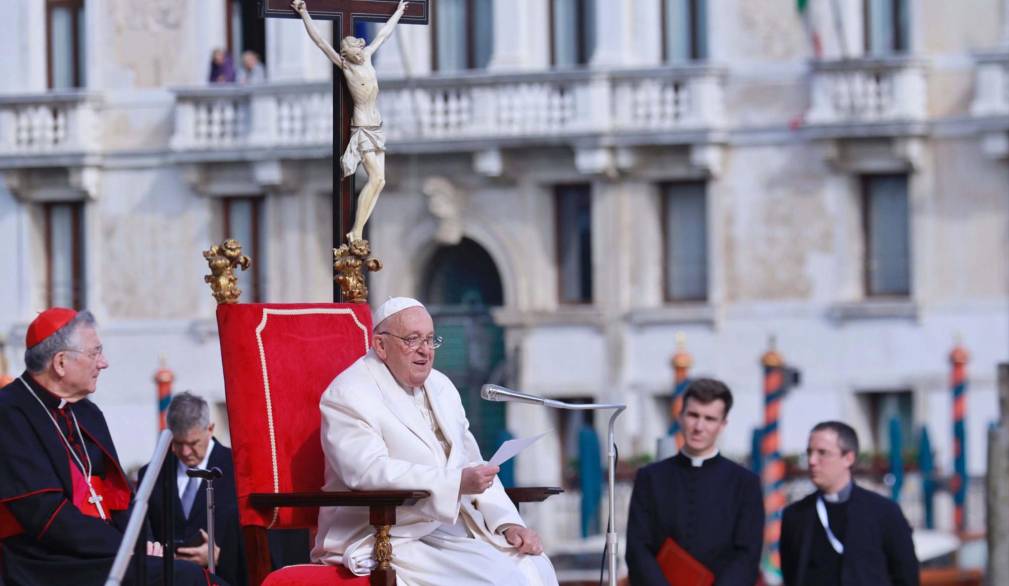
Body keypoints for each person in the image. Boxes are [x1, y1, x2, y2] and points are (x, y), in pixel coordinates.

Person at [313, 297, 558, 586]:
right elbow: (366, 471)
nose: (425, 351)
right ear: (380, 345)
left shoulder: (441, 385)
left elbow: (472, 462)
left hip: (449, 526)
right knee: (501, 579)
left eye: (430, 340)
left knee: (534, 566)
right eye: (412, 339)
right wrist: (454, 482)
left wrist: (508, 523)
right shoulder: (349, 393)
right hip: (391, 533)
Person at [0, 308, 223, 585]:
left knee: (191, 576)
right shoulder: (9, 412)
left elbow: (120, 498)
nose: (103, 363)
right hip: (48, 562)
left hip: (104, 551)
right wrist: (125, 548)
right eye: (95, 353)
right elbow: (45, 515)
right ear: (60, 363)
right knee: (187, 579)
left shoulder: (86, 412)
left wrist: (145, 544)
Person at [626, 378, 764, 585]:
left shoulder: (745, 483)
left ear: (722, 424)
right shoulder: (650, 478)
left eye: (709, 418)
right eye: (693, 415)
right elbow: (638, 548)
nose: (699, 426)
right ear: (680, 416)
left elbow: (747, 555)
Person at [291, 0, 407, 244]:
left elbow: (384, 34)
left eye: (354, 49)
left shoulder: (367, 57)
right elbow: (320, 42)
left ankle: (358, 230)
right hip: (363, 126)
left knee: (381, 181)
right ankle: (355, 231)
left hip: (377, 124)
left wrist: (397, 12)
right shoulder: (346, 66)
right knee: (375, 177)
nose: (354, 53)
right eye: (348, 51)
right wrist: (304, 14)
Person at [780, 421, 919, 586]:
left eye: (822, 453)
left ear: (848, 458)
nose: (812, 461)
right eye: (809, 452)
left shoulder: (883, 512)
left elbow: (906, 575)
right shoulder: (796, 515)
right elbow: (790, 574)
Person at [138, 392, 245, 586]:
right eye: (178, 443)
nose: (186, 452)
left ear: (210, 429)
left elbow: (255, 540)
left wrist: (220, 557)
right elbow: (144, 532)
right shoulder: (152, 474)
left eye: (193, 443)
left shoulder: (239, 469)